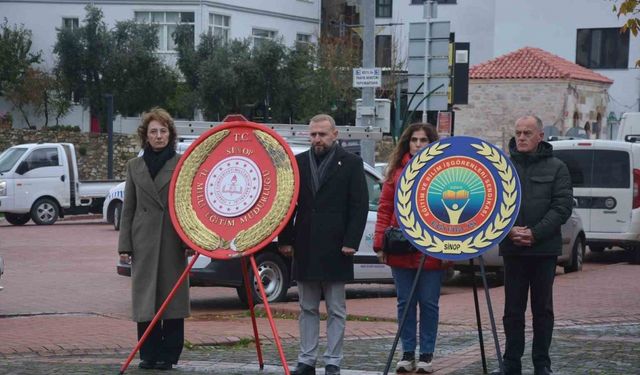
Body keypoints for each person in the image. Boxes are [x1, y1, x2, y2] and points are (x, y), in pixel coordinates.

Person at [279, 114, 369, 375]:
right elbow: (288, 204)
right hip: (305, 244)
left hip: (337, 245)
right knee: (306, 307)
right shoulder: (298, 163)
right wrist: (285, 239)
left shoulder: (351, 164)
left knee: (336, 309)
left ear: (335, 135)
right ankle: (306, 360)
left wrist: (351, 241)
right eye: (313, 135)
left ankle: (333, 361)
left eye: (322, 134)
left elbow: (359, 206)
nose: (317, 139)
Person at [494, 115, 573, 375]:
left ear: (541, 136)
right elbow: (491, 204)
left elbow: (561, 207)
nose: (522, 137)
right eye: (518, 132)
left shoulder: (557, 167)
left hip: (543, 250)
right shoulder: (502, 167)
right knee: (512, 311)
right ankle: (511, 363)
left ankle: (542, 364)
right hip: (513, 248)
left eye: (528, 133)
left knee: (542, 310)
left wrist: (535, 233)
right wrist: (509, 230)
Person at [118, 108, 191, 371]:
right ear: (145, 136)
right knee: (146, 298)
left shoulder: (183, 163)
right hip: (143, 240)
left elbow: (187, 204)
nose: (158, 136)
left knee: (171, 298)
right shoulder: (134, 166)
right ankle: (147, 353)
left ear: (170, 134)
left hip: (173, 239)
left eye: (163, 131)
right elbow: (129, 208)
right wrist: (124, 246)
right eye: (153, 132)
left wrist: (190, 239)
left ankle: (169, 355)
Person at [373, 123, 445, 374]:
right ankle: (407, 352)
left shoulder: (442, 170)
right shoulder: (396, 173)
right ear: (407, 142)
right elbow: (384, 209)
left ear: (431, 142)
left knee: (429, 303)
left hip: (432, 250)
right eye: (414, 139)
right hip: (402, 249)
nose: (418, 144)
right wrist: (380, 244)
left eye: (423, 140)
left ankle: (426, 353)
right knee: (405, 303)